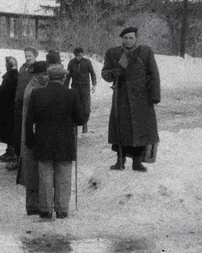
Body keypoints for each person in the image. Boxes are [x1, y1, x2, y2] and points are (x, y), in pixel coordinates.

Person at [26, 64, 85, 219]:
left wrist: (30, 141)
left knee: (45, 176)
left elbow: (29, 120)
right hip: (65, 143)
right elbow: (80, 120)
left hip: (43, 142)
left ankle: (45, 209)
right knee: (63, 176)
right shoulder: (72, 94)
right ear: (64, 78)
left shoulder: (37, 94)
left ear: (49, 77)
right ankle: (62, 209)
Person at [102, 26, 161, 172]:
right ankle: (119, 161)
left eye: (131, 38)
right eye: (125, 38)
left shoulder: (145, 52)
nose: (128, 41)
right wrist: (113, 73)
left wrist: (155, 95)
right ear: (122, 39)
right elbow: (105, 73)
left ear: (136, 39)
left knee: (140, 130)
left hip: (142, 98)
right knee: (120, 129)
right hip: (121, 97)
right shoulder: (113, 53)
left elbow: (154, 73)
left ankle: (137, 162)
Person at [16, 60, 48, 214]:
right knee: (32, 172)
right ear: (37, 75)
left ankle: (33, 205)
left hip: (29, 135)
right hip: (31, 137)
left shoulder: (34, 86)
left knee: (32, 171)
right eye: (44, 74)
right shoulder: (34, 90)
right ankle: (32, 206)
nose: (46, 77)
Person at [10, 46, 39, 170]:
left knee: (27, 131)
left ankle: (28, 160)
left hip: (30, 104)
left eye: (30, 56)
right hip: (19, 103)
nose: (27, 58)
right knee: (17, 131)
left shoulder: (37, 69)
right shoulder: (22, 67)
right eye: (26, 55)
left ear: (35, 56)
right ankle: (18, 158)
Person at [0, 56, 19, 163]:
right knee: (10, 130)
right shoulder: (15, 75)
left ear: (8, 65)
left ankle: (10, 152)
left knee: (8, 131)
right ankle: (10, 151)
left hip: (7, 108)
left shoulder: (10, 76)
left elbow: (3, 90)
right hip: (11, 107)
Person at [67, 47, 98, 133]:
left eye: (80, 55)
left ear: (82, 54)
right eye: (76, 55)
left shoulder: (87, 62)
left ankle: (85, 123)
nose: (78, 57)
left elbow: (92, 73)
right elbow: (68, 76)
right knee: (75, 106)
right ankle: (74, 124)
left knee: (86, 107)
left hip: (85, 88)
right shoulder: (71, 63)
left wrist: (94, 84)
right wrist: (65, 87)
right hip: (75, 87)